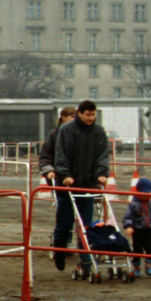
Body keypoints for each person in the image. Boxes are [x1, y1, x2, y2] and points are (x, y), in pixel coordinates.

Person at [53, 99, 109, 272]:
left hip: (87, 186)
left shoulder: (98, 132)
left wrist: (101, 173)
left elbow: (102, 155)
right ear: (80, 113)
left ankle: (85, 260)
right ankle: (59, 251)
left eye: (94, 115)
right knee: (65, 222)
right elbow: (61, 155)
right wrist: (65, 175)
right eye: (88, 115)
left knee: (86, 225)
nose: (91, 118)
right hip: (67, 185)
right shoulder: (66, 130)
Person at [122, 177, 151, 277]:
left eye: (147, 193)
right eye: (143, 193)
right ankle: (136, 267)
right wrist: (129, 226)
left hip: (149, 230)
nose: (146, 196)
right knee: (137, 250)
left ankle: (149, 266)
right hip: (137, 231)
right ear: (138, 192)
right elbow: (127, 216)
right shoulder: (133, 204)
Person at [38, 106, 77, 187]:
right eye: (72, 116)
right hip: (60, 178)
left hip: (78, 179)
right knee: (63, 199)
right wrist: (49, 171)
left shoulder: (80, 135)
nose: (74, 119)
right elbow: (44, 155)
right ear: (63, 117)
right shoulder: (54, 135)